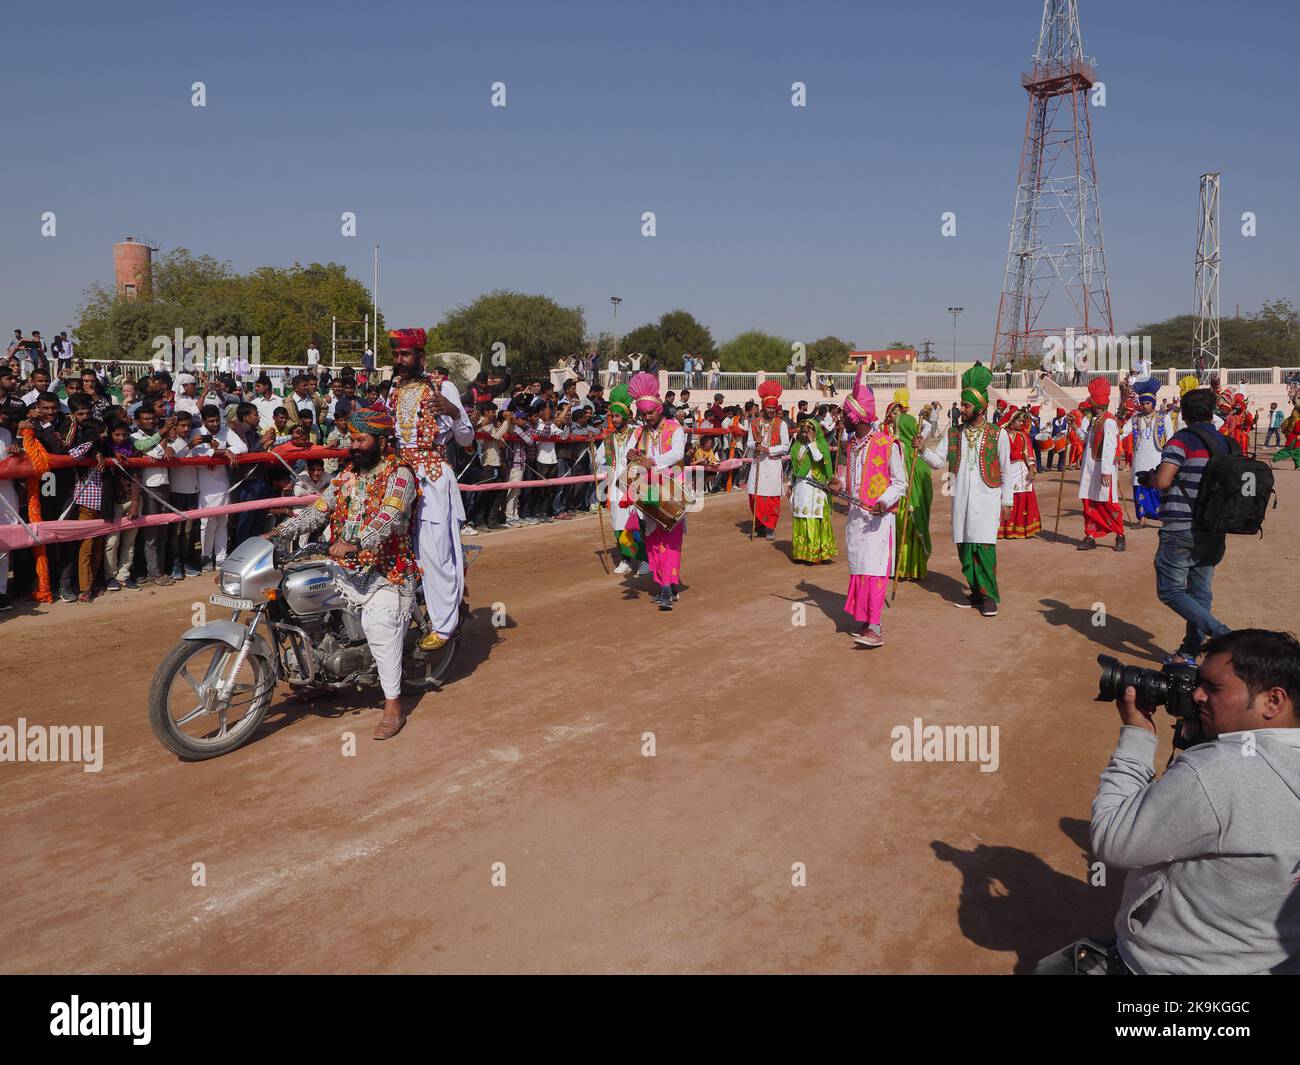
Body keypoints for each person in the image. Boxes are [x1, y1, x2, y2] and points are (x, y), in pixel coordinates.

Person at [1087, 628, 1300, 975]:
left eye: (1213, 688)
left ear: (1272, 701)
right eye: (1197, 682)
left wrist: (1138, 736)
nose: (1197, 695)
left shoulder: (1218, 773)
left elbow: (1112, 838)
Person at [273, 407, 420, 740]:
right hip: (344, 567)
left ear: (381, 441)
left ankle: (393, 705)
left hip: (388, 570)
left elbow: (391, 516)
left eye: (360, 439)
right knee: (298, 602)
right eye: (351, 439)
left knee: (379, 625)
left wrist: (355, 541)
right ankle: (320, 677)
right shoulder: (346, 475)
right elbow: (318, 511)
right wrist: (281, 531)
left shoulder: (400, 474)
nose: (353, 446)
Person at [388, 327, 474, 652]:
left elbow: (466, 439)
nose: (400, 360)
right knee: (398, 552)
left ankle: (444, 624)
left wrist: (453, 411)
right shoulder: (394, 391)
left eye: (405, 355)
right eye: (396, 355)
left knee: (435, 552)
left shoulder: (443, 386)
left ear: (420, 357)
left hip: (434, 478)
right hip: (401, 479)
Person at [1145, 384, 1233, 665]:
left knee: (1170, 590)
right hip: (1214, 527)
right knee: (1200, 592)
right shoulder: (1227, 443)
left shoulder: (1183, 440)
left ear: (1184, 414)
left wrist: (1148, 478)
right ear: (1211, 412)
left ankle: (1221, 634)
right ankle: (1189, 652)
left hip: (1182, 526)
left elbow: (1162, 481)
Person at [924, 365, 1013, 617]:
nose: (961, 409)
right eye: (961, 405)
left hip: (987, 501)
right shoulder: (953, 434)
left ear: (981, 408)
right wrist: (921, 450)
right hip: (961, 499)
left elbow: (1006, 470)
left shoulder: (999, 435)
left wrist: (1008, 501)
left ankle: (989, 597)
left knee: (984, 547)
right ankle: (975, 593)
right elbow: (938, 461)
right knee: (964, 548)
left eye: (965, 406)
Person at [837, 375, 906, 646]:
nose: (843, 418)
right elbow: (851, 479)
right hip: (856, 517)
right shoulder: (852, 446)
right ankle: (865, 619)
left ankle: (875, 627)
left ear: (859, 415)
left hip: (879, 519)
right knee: (859, 567)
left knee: (875, 568)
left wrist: (884, 501)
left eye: (846, 413)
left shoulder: (888, 444)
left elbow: (900, 482)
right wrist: (838, 482)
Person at [625, 372, 686, 610]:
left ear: (659, 410)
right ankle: (665, 585)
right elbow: (632, 455)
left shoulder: (675, 428)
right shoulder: (638, 432)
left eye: (650, 413)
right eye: (643, 413)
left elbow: (677, 453)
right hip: (647, 492)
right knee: (653, 541)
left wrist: (653, 461)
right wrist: (632, 456)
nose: (647, 417)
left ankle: (666, 588)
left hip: (671, 492)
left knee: (670, 541)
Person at [595, 384, 648, 575]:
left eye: (617, 416)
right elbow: (599, 458)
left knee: (635, 523)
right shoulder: (608, 439)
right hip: (615, 485)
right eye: (612, 416)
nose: (614, 420)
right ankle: (626, 559)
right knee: (618, 524)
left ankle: (644, 560)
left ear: (625, 416)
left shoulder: (637, 433)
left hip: (634, 483)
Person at [1076, 379, 1124, 551]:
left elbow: (1110, 448)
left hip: (1102, 470)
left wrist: (1105, 472)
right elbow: (1086, 440)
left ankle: (1120, 535)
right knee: (1088, 502)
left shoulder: (1109, 421)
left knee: (1107, 504)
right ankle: (1090, 536)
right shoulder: (1095, 420)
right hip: (1089, 468)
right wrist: (1074, 427)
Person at [788, 418, 837, 564]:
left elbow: (818, 457)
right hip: (801, 486)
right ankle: (802, 553)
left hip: (815, 488)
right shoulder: (797, 447)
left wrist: (811, 442)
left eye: (808, 431)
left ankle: (817, 554)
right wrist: (790, 485)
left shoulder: (819, 445)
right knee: (801, 516)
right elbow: (795, 469)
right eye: (802, 431)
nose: (804, 434)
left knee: (813, 517)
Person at [746, 380, 789, 541]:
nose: (771, 410)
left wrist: (769, 449)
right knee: (754, 496)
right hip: (758, 464)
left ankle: (770, 527)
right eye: (769, 408)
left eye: (773, 408)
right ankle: (759, 527)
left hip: (772, 464)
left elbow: (785, 446)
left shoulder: (781, 424)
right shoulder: (754, 423)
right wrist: (755, 445)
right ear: (763, 407)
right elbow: (749, 442)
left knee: (771, 498)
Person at [1123, 378, 1168, 527]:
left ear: (1153, 403)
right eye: (1142, 403)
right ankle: (1141, 518)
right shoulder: (1135, 419)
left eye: (1148, 403)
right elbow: (1122, 432)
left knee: (1156, 487)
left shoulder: (1163, 417)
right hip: (1140, 457)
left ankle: (1162, 517)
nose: (1145, 406)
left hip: (1157, 457)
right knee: (1139, 487)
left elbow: (1172, 437)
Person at [997, 408, 1041, 539]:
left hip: (1020, 470)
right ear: (1011, 422)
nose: (1022, 423)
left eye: (1023, 421)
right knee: (1005, 496)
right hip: (1005, 469)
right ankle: (1005, 529)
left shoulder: (1023, 436)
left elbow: (1028, 454)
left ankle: (1019, 528)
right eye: (1019, 421)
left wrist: (1032, 469)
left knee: (1021, 497)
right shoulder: (1001, 435)